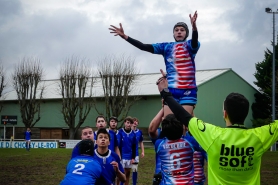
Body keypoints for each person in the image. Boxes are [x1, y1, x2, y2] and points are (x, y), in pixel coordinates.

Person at [157, 72, 278, 185]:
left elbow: (183, 116)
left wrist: (165, 93)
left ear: (225, 114)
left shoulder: (212, 135)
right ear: (246, 114)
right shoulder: (259, 137)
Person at [109, 11, 200, 117]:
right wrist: (125, 37)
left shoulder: (190, 45)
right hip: (171, 90)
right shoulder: (166, 46)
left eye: (182, 30)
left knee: (184, 123)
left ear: (186, 33)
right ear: (173, 33)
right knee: (169, 123)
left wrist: (194, 27)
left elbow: (194, 41)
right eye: (176, 30)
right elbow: (144, 47)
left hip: (188, 90)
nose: (179, 32)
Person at [118, 116, 137, 185]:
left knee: (127, 173)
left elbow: (134, 146)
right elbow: (118, 146)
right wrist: (119, 156)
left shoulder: (133, 134)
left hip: (129, 156)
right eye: (128, 123)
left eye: (130, 123)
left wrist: (133, 157)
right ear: (125, 123)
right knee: (120, 173)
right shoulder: (120, 132)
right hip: (122, 156)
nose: (129, 124)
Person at [148, 109, 164, 185]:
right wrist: (164, 106)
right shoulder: (160, 138)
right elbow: (151, 130)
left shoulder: (181, 135)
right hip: (160, 178)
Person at [131, 117, 145, 185]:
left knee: (134, 169)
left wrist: (142, 151)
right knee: (125, 170)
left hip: (135, 153)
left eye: (136, 121)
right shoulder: (127, 131)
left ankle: (134, 183)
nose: (135, 122)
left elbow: (141, 142)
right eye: (134, 121)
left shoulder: (139, 132)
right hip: (126, 154)